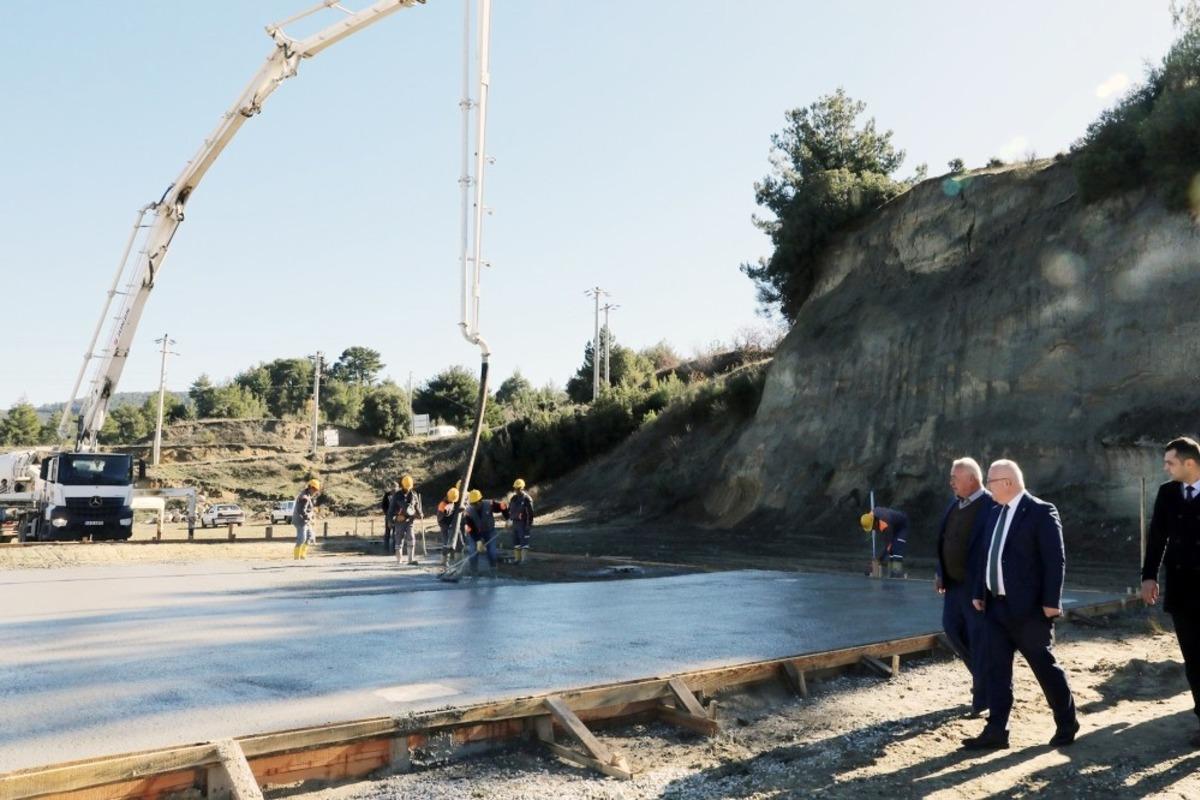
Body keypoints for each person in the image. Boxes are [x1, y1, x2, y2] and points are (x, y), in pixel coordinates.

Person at [964, 459, 1078, 750]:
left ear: (1008, 483)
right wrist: (980, 590)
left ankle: (1066, 722)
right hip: (995, 607)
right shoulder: (993, 512)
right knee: (997, 671)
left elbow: (1055, 560)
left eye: (990, 481)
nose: (987, 487)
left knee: (1044, 667)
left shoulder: (1040, 511)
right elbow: (986, 555)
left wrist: (1052, 601)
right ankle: (997, 730)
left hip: (1029, 610)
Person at [1141, 436, 1200, 747]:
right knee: (1193, 658)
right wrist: (1148, 576)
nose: (1165, 468)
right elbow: (1157, 538)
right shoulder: (1167, 494)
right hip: (1181, 590)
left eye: (1170, 463)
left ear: (1189, 463)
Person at [934, 457, 996, 716]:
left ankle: (984, 693)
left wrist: (982, 589)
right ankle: (988, 683)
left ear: (972, 479)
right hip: (953, 586)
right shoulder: (954, 505)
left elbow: (991, 550)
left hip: (976, 589)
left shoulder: (991, 505)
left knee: (979, 640)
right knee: (953, 631)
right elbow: (945, 540)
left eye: (955, 478)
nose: (951, 483)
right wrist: (941, 572)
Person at [463, 489, 506, 578]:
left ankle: (493, 571)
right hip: (474, 533)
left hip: (489, 531)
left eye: (476, 503)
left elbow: (503, 506)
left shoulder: (489, 504)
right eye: (472, 504)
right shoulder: (468, 512)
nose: (474, 506)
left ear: (480, 501)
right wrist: (478, 541)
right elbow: (470, 529)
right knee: (473, 551)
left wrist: (508, 518)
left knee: (491, 552)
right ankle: (474, 572)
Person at [860, 506, 909, 577]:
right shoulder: (870, 516)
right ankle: (892, 573)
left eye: (873, 527)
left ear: (875, 522)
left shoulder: (884, 523)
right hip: (892, 524)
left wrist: (878, 560)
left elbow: (888, 546)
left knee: (896, 550)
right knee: (890, 552)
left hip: (901, 527)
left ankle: (897, 574)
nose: (873, 529)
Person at [387, 474, 423, 565]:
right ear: (402, 485)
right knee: (399, 539)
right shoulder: (397, 496)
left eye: (409, 487)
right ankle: (399, 560)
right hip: (399, 521)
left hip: (410, 520)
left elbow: (416, 507)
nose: (408, 489)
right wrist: (393, 519)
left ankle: (410, 560)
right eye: (406, 487)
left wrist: (420, 514)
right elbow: (390, 510)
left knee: (411, 538)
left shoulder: (414, 495)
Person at [292, 478, 320, 560]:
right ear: (311, 487)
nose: (315, 492)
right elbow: (301, 510)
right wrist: (309, 518)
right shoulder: (304, 497)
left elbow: (307, 509)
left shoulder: (308, 495)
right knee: (302, 538)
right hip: (300, 520)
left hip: (305, 520)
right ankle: (296, 557)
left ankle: (302, 555)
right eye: (315, 489)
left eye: (316, 490)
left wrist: (311, 513)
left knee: (310, 536)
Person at [508, 478, 535, 564]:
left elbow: (531, 514)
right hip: (515, 524)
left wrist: (528, 525)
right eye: (515, 488)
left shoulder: (527, 499)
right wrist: (509, 520)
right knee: (516, 542)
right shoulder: (513, 498)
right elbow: (510, 510)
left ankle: (524, 560)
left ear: (522, 488)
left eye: (518, 488)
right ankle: (517, 559)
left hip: (524, 524)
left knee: (524, 543)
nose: (516, 490)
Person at [436, 486, 461, 567]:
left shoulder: (455, 501)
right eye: (451, 500)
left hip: (452, 524)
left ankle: (457, 560)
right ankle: (444, 560)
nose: (453, 501)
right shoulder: (442, 505)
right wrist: (446, 526)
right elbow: (440, 519)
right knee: (446, 543)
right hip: (444, 525)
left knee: (458, 541)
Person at [381, 480, 398, 553]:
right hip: (388, 516)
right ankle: (386, 550)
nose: (394, 489)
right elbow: (383, 505)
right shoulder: (387, 495)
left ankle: (394, 550)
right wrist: (387, 513)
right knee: (387, 533)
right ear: (390, 487)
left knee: (396, 533)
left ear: (398, 487)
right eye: (392, 487)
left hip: (397, 516)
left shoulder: (399, 495)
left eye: (395, 487)